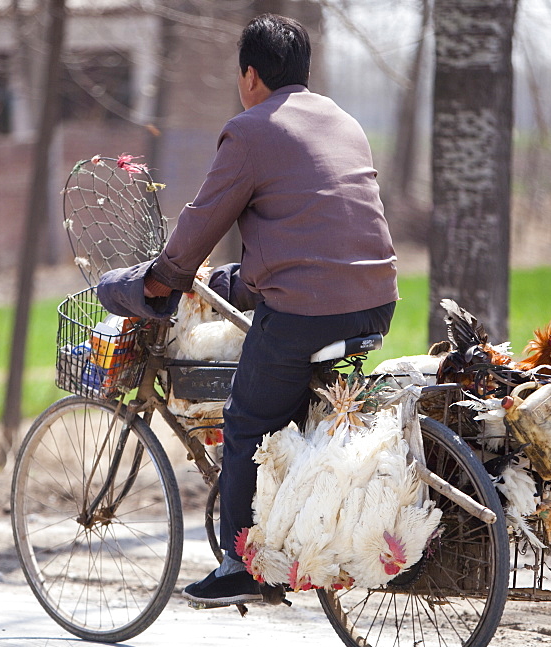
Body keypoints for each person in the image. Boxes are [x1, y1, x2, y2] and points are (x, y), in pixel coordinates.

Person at [144, 13, 399, 606]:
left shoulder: (251, 130)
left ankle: (242, 562)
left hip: (305, 312)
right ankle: (296, 524)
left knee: (244, 422)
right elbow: (319, 222)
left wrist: (162, 279)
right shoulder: (344, 122)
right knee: (294, 413)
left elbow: (201, 222)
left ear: (251, 75)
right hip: (375, 303)